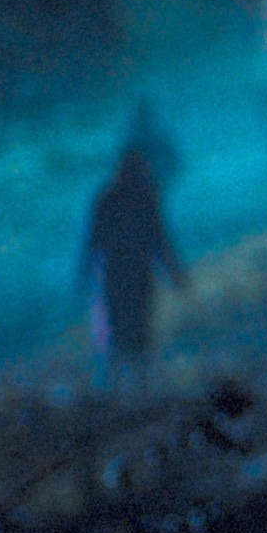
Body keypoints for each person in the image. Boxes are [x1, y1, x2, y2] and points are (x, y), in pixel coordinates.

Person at [81, 122, 186, 392]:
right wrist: (174, 272)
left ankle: (123, 386)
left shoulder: (111, 198)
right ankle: (132, 386)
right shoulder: (139, 197)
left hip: (122, 273)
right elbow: (160, 240)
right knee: (133, 329)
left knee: (128, 330)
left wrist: (85, 273)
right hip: (132, 272)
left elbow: (94, 242)